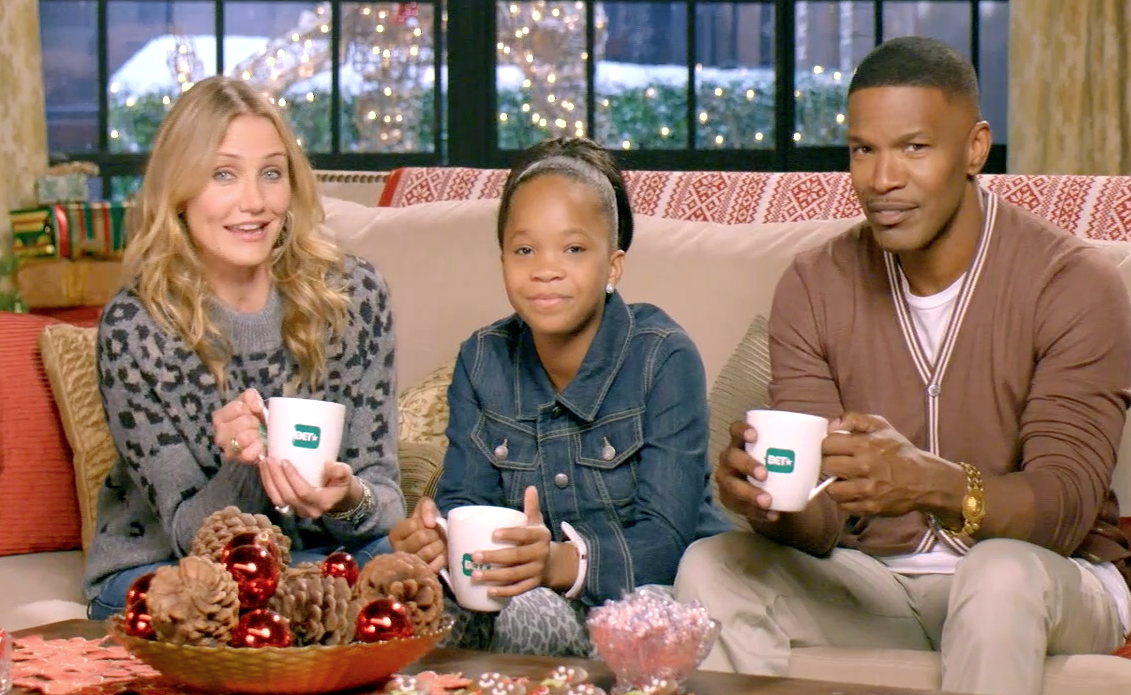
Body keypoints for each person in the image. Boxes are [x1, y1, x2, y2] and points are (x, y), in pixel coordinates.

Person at [673, 36, 1131, 695]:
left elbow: (1063, 509)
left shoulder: (1072, 282)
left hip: (1049, 581)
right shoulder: (813, 284)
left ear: (974, 148)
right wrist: (771, 500)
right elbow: (823, 518)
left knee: (997, 575)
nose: (881, 179)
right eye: (863, 150)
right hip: (879, 582)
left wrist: (928, 483)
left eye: (914, 147)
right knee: (712, 565)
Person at [388, 136, 732, 657]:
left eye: (573, 249)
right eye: (524, 250)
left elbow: (667, 540)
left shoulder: (663, 357)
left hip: (646, 597)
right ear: (502, 259)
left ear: (613, 266)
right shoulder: (482, 358)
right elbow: (465, 504)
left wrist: (558, 562)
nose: (545, 269)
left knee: (528, 613)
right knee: (410, 605)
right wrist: (437, 541)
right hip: (523, 592)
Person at [83, 75, 403, 619]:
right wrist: (243, 467)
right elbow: (187, 535)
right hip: (169, 572)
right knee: (239, 606)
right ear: (179, 192)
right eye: (223, 174)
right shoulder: (136, 327)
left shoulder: (353, 297)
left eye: (271, 173)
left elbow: (385, 502)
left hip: (320, 558)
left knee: (408, 572)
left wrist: (348, 499)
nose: (254, 202)